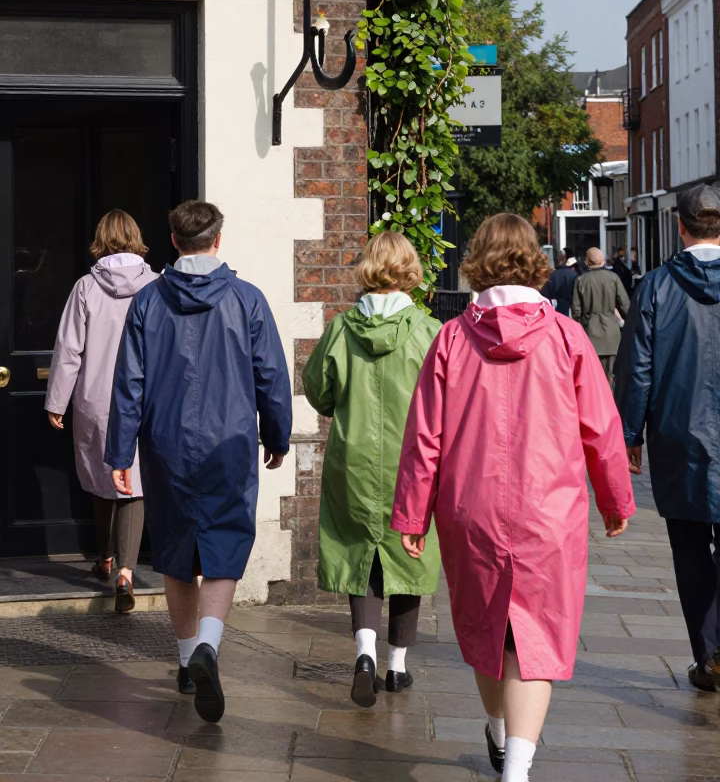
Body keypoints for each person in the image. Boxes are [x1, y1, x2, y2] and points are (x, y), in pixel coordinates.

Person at [392, 214, 634, 782]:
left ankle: (501, 734)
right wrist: (616, 500)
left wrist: (412, 512)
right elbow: (601, 426)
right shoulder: (568, 337)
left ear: (477, 260)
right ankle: (518, 768)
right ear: (534, 262)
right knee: (538, 632)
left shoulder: (452, 338)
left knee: (484, 629)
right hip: (550, 510)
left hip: (468, 507)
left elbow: (424, 434)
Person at [105, 200, 292, 722]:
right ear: (217, 240)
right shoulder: (247, 300)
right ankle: (209, 644)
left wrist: (120, 449)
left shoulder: (147, 303)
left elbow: (130, 382)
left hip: (165, 444)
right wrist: (276, 434)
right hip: (230, 442)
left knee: (175, 549)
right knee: (226, 541)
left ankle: (189, 660)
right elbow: (271, 376)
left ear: (173, 239)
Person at [302, 232, 441, 708]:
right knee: (409, 552)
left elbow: (318, 390)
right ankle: (397, 665)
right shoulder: (428, 331)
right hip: (413, 461)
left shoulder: (342, 330)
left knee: (358, 550)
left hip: (352, 458)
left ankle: (364, 652)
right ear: (409, 269)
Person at [615, 184, 720, 693]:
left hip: (678, 436)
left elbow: (636, 369)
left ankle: (709, 652)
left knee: (690, 548)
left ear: (680, 226)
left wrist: (629, 434)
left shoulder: (656, 286)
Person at [45, 210, 156, 613]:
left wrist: (57, 400)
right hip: (144, 398)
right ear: (136, 237)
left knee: (100, 476)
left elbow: (69, 349)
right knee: (134, 482)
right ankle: (126, 571)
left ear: (101, 240)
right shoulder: (157, 286)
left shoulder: (86, 288)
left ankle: (105, 557)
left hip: (96, 399)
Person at [571, 246, 630, 380]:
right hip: (611, 334)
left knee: (592, 378)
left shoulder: (581, 280)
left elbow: (576, 311)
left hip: (589, 333)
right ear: (603, 261)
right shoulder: (613, 278)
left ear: (587, 261)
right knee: (610, 376)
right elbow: (625, 305)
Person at [541, 251, 576, 316]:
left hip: (554, 311)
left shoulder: (550, 275)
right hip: (571, 310)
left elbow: (545, 296)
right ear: (564, 258)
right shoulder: (574, 274)